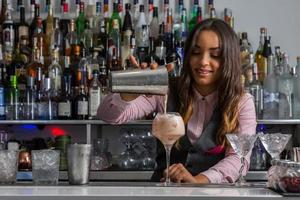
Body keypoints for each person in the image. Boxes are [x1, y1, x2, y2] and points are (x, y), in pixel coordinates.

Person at [97, 18, 257, 184]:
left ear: (228, 60)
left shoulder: (241, 102)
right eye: (196, 53)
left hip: (213, 195)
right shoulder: (166, 90)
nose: (203, 61)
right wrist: (129, 92)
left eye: (215, 55)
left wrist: (198, 180)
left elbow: (239, 160)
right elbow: (108, 116)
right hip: (164, 192)